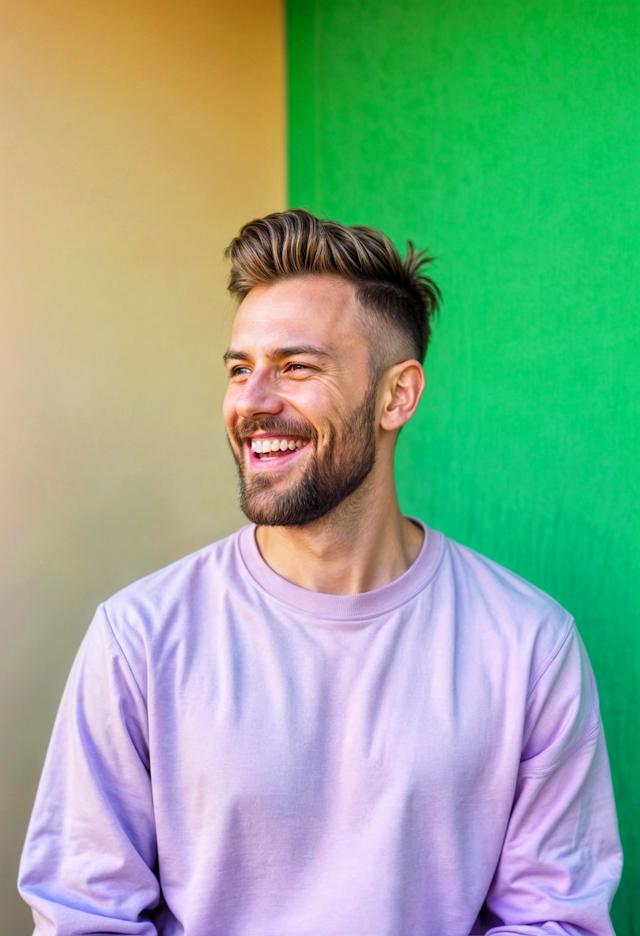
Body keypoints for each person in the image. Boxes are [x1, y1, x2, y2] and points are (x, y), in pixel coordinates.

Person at [19, 210, 622, 935]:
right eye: (240, 369)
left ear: (397, 396)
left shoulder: (529, 645)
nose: (252, 401)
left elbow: (554, 920)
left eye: (296, 366)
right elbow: (83, 917)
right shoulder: (139, 638)